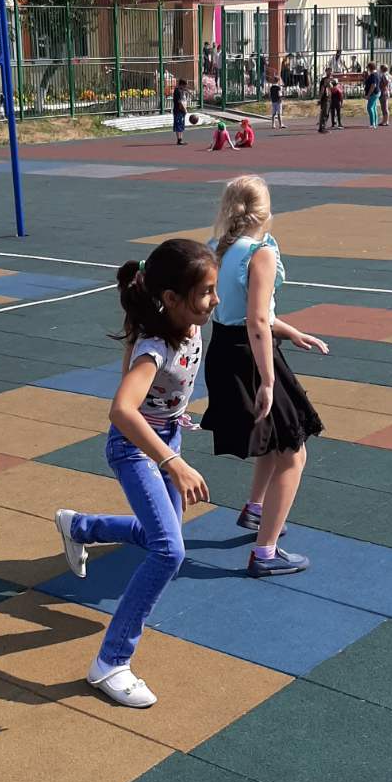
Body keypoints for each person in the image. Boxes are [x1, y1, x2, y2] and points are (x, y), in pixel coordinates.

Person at [55, 240, 217, 706]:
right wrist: (172, 462)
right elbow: (122, 410)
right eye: (206, 292)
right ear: (171, 298)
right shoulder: (154, 347)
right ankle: (111, 663)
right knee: (169, 550)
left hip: (167, 439)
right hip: (135, 449)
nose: (215, 300)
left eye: (214, 289)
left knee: (159, 537)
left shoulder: (186, 323)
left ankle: (80, 527)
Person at [202, 176, 328, 575]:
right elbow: (256, 321)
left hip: (225, 350)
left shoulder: (217, 248)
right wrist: (269, 381)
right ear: (266, 211)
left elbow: (238, 314)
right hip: (251, 356)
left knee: (276, 442)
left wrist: (289, 331)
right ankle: (265, 553)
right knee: (294, 452)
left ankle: (256, 509)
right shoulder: (261, 253)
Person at [363, 62, 380, 127]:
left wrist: (368, 95)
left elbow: (373, 85)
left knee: (369, 107)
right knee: (374, 107)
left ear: (370, 68)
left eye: (368, 67)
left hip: (373, 93)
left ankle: (372, 123)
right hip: (376, 92)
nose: (367, 69)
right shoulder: (376, 74)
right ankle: (375, 122)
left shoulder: (373, 75)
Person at [172, 78, 188, 146]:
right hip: (178, 110)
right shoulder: (177, 91)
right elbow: (179, 102)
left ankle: (181, 139)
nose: (185, 87)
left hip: (182, 111)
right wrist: (184, 109)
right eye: (184, 86)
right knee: (178, 124)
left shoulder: (182, 91)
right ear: (181, 85)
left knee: (181, 125)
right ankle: (179, 140)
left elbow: (184, 100)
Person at [317, 69, 331, 134]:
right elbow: (322, 90)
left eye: (330, 71)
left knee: (325, 113)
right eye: (328, 71)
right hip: (325, 98)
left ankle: (322, 127)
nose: (330, 73)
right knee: (325, 113)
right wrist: (320, 99)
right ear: (326, 72)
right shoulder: (325, 80)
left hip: (328, 98)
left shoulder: (329, 79)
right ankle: (322, 127)